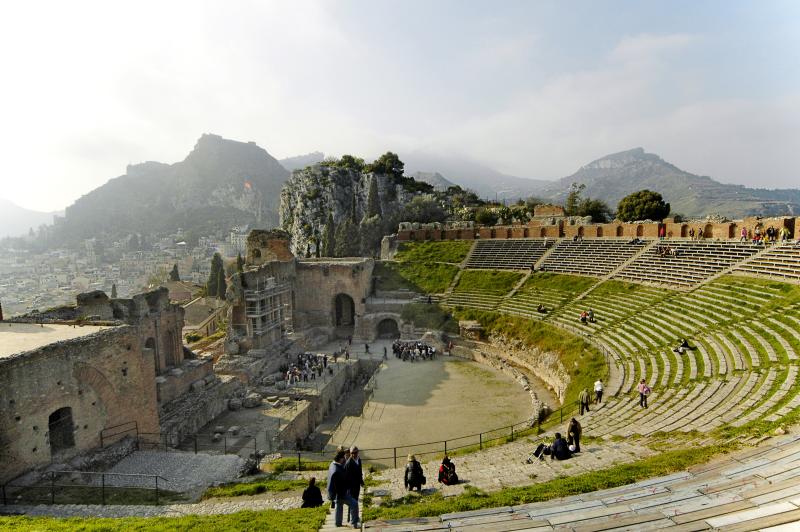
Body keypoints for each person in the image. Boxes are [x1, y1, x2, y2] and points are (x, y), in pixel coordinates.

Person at [329, 451, 359, 528]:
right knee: (354, 504)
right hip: (341, 493)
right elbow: (339, 484)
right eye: (343, 458)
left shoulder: (332, 465)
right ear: (340, 459)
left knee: (339, 507)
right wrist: (343, 494)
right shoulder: (337, 470)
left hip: (336, 493)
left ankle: (338, 523)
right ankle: (354, 523)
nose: (344, 459)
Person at [344, 446, 364, 524]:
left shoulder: (359, 460)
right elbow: (345, 476)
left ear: (357, 452)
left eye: (355, 453)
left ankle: (355, 517)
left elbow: (360, 471)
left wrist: (361, 481)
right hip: (351, 486)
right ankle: (351, 519)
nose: (353, 454)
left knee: (355, 501)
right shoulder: (348, 463)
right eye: (352, 453)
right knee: (352, 503)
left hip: (357, 485)